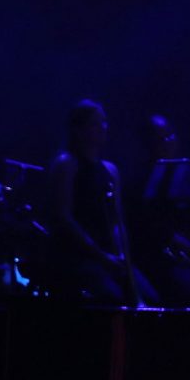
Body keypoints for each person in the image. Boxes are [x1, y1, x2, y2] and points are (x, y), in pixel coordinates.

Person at [45, 98, 149, 304]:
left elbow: (117, 222)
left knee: (150, 298)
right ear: (77, 130)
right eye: (95, 123)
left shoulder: (110, 170)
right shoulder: (66, 164)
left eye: (104, 121)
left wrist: (122, 258)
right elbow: (63, 217)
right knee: (112, 298)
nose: (103, 127)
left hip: (107, 256)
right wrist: (101, 256)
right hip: (77, 257)